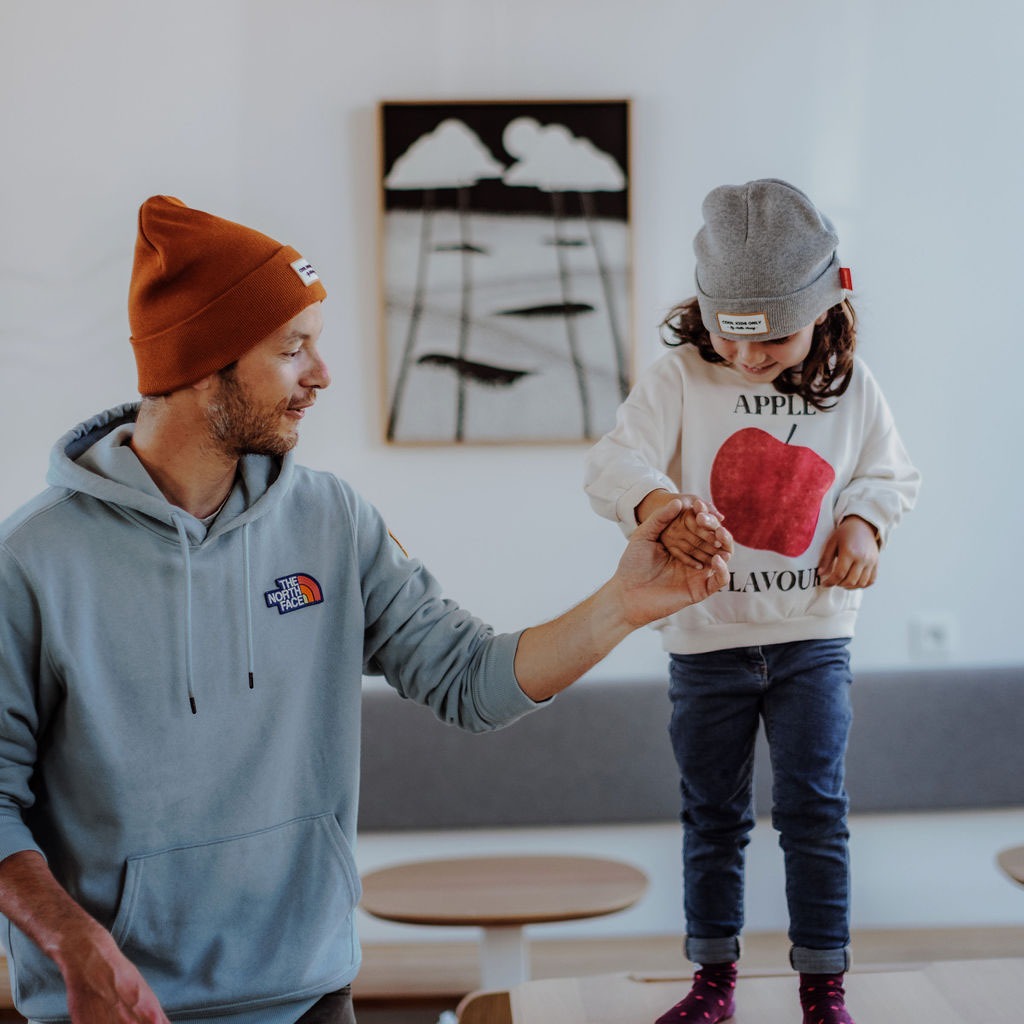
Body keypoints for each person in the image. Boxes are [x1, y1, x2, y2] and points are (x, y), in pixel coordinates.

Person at [0, 195, 731, 1024]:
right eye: (293, 348)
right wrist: (72, 941)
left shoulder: (332, 522)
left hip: (311, 996)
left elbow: (467, 680)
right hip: (115, 1008)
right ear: (204, 366)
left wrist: (623, 604)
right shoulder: (33, 561)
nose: (323, 374)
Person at [583, 179, 920, 1024]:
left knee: (815, 815)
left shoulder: (852, 387)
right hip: (706, 645)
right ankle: (713, 986)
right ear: (706, 315)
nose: (750, 359)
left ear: (828, 307)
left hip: (814, 642)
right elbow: (612, 467)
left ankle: (823, 990)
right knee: (714, 819)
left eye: (773, 337)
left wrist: (864, 527)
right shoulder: (678, 378)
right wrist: (660, 508)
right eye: (733, 338)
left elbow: (891, 473)